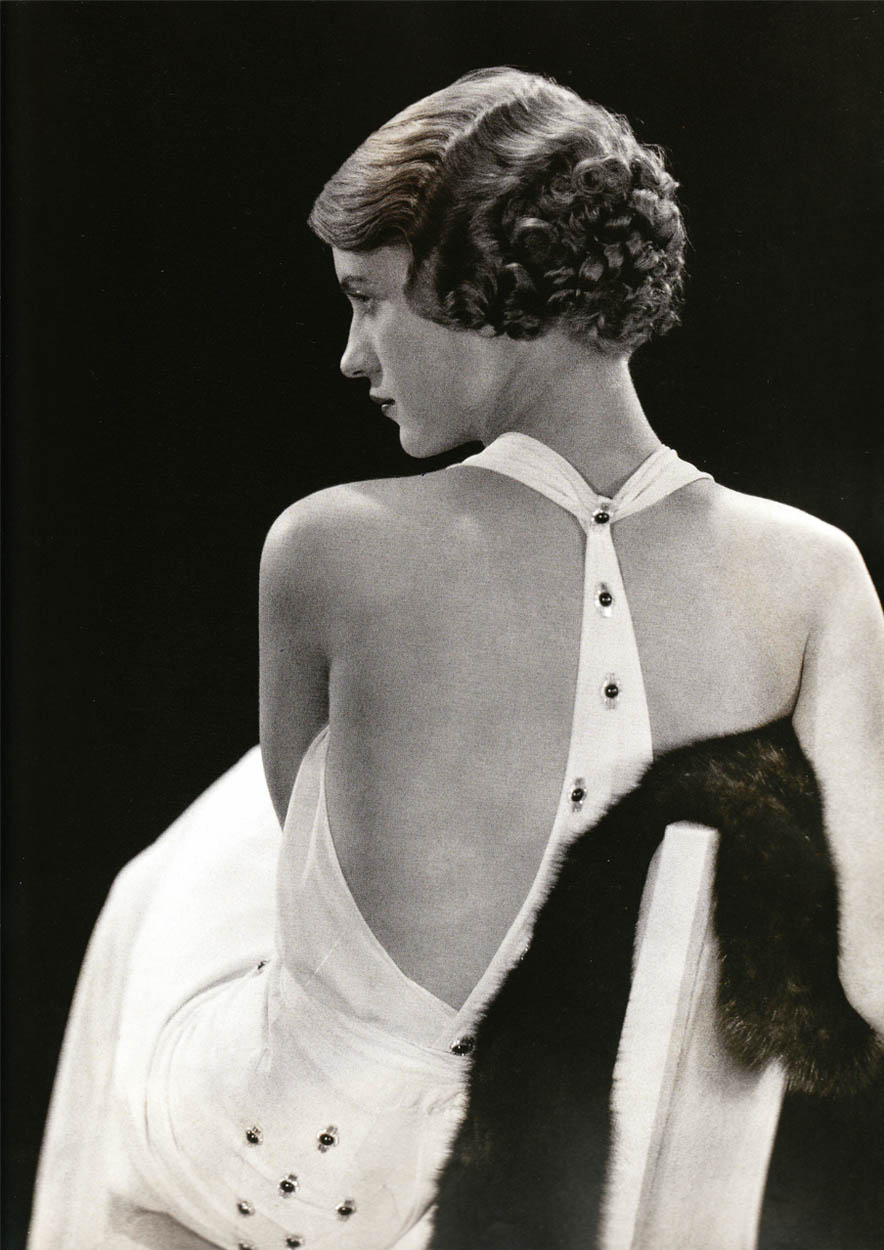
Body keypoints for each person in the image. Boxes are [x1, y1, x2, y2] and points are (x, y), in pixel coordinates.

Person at [29, 67, 883, 1250]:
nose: (351, 355)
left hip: (289, 1166)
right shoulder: (815, 573)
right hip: (555, 1164)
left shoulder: (326, 545)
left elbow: (295, 848)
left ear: (477, 280)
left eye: (366, 299)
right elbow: (865, 963)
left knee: (185, 869)